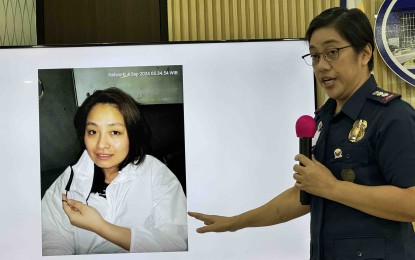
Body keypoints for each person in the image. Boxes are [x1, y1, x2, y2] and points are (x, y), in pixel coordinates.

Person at [188, 7, 415, 259]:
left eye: (332, 52)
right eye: (315, 56)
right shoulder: (323, 119)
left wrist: (332, 188)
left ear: (364, 53)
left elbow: (412, 202)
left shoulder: (392, 116)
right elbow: (305, 195)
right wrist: (236, 223)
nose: (321, 66)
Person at [41, 87, 188, 255]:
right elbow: (52, 234)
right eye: (93, 132)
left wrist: (101, 227)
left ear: (132, 135)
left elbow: (175, 240)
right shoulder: (70, 178)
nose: (101, 144)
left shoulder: (156, 173)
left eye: (115, 132)